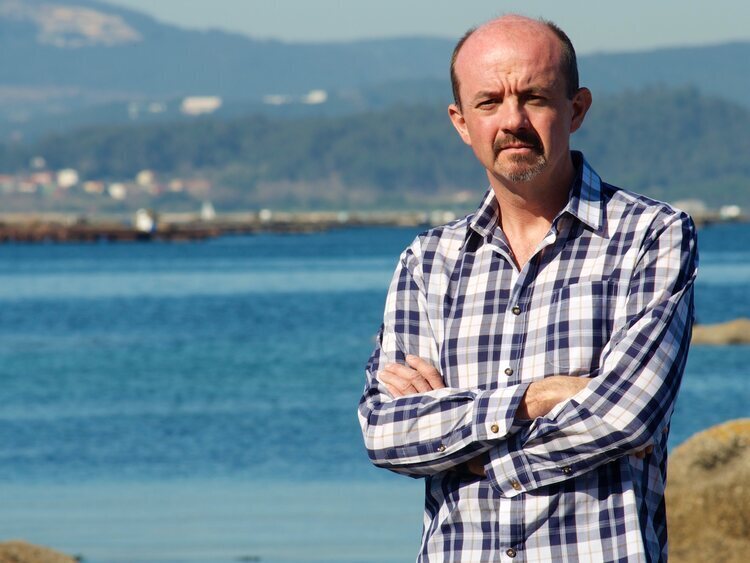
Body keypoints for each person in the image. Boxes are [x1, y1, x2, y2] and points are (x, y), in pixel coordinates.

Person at [358, 14, 698, 562]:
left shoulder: (650, 236)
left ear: (577, 109)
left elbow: (626, 416)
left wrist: (475, 455)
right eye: (489, 102)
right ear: (461, 121)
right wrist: (534, 399)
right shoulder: (428, 262)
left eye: (534, 98)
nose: (512, 120)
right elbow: (385, 431)